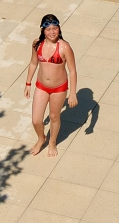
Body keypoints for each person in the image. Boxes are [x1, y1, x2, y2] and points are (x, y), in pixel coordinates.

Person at [24, 14, 78, 157]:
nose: (52, 32)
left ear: (59, 29)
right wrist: (28, 83)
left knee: (54, 117)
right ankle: (42, 138)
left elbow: (72, 71)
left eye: (55, 28)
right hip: (41, 86)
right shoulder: (37, 44)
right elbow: (33, 63)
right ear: (43, 30)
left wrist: (72, 93)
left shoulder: (65, 47)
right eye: (48, 29)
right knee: (36, 120)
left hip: (59, 88)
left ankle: (52, 142)